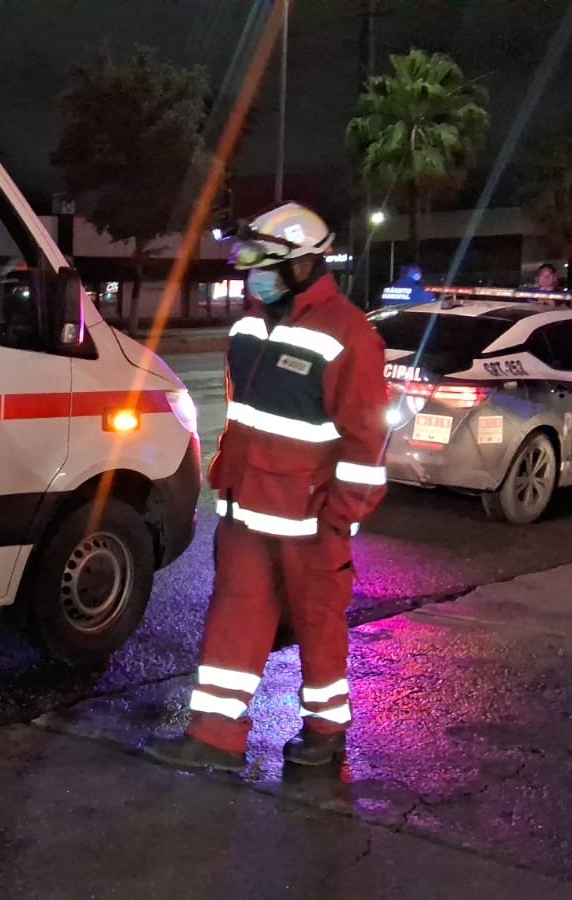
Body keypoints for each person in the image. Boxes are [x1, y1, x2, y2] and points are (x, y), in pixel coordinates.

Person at [144, 202, 389, 771]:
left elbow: (368, 441)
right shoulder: (249, 328)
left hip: (313, 520)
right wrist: (227, 485)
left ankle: (325, 733)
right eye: (249, 264)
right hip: (247, 510)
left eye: (263, 265)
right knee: (234, 618)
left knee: (318, 622)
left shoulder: (349, 334)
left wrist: (340, 516)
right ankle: (215, 735)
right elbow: (245, 419)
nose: (252, 276)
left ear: (302, 265)